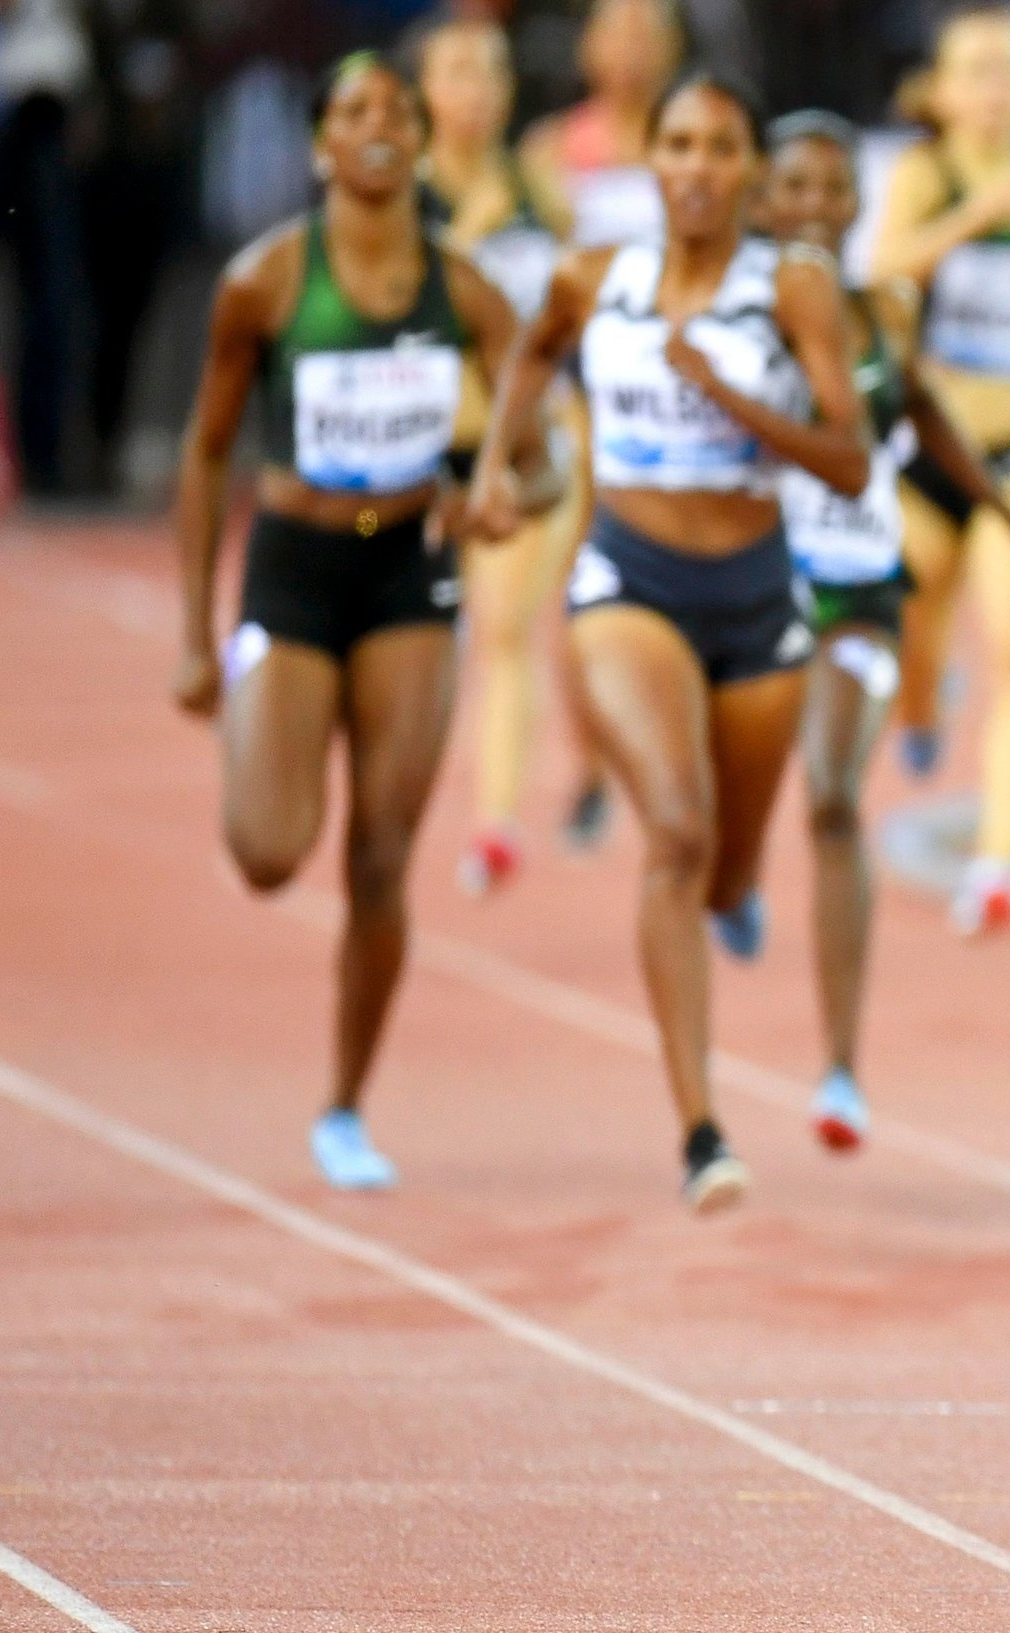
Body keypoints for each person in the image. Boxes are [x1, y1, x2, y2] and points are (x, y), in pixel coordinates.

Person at [470, 70, 872, 1213]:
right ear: (653, 161)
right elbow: (534, 353)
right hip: (628, 579)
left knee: (731, 865)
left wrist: (730, 399)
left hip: (755, 594)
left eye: (720, 148)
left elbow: (847, 459)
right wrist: (510, 465)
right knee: (676, 831)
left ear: (749, 169)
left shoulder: (791, 288)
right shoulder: (599, 277)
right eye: (679, 145)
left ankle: (736, 887)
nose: (697, 168)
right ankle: (701, 1127)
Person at [169, 51, 530, 1190]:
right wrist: (192, 630)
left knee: (380, 858)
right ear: (322, 142)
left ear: (422, 142)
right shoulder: (268, 282)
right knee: (273, 854)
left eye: (398, 112)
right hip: (294, 566)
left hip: (411, 574)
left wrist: (512, 489)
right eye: (356, 110)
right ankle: (257, 701)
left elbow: (545, 452)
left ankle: (344, 1105)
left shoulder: (469, 291)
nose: (378, 126)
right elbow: (207, 448)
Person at [755, 109, 1010, 1152]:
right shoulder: (728, 315)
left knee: (836, 791)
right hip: (743, 588)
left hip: (852, 585)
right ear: (761, 200)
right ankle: (719, 874)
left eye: (833, 190)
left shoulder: (885, 312)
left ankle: (839, 1067)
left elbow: (925, 408)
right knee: (710, 800)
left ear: (855, 206)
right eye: (791, 187)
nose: (812, 208)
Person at [868, 5, 1010, 936]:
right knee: (912, 615)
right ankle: (920, 703)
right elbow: (879, 277)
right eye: (979, 70)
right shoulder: (926, 175)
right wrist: (967, 220)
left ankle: (999, 863)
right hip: (927, 453)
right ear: (946, 90)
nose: (997, 87)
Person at [413, 12, 594, 899]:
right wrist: (461, 235)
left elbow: (568, 317)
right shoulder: (405, 199)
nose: (476, 90)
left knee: (505, 628)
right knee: (406, 629)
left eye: (490, 72)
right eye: (456, 72)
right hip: (411, 474)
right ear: (424, 93)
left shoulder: (540, 190)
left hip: (521, 455)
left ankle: (495, 824)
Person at [517, 0, 678, 250]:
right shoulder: (547, 146)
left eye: (642, 38)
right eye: (617, 37)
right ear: (588, 44)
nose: (631, 52)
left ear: (672, 46)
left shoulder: (697, 143)